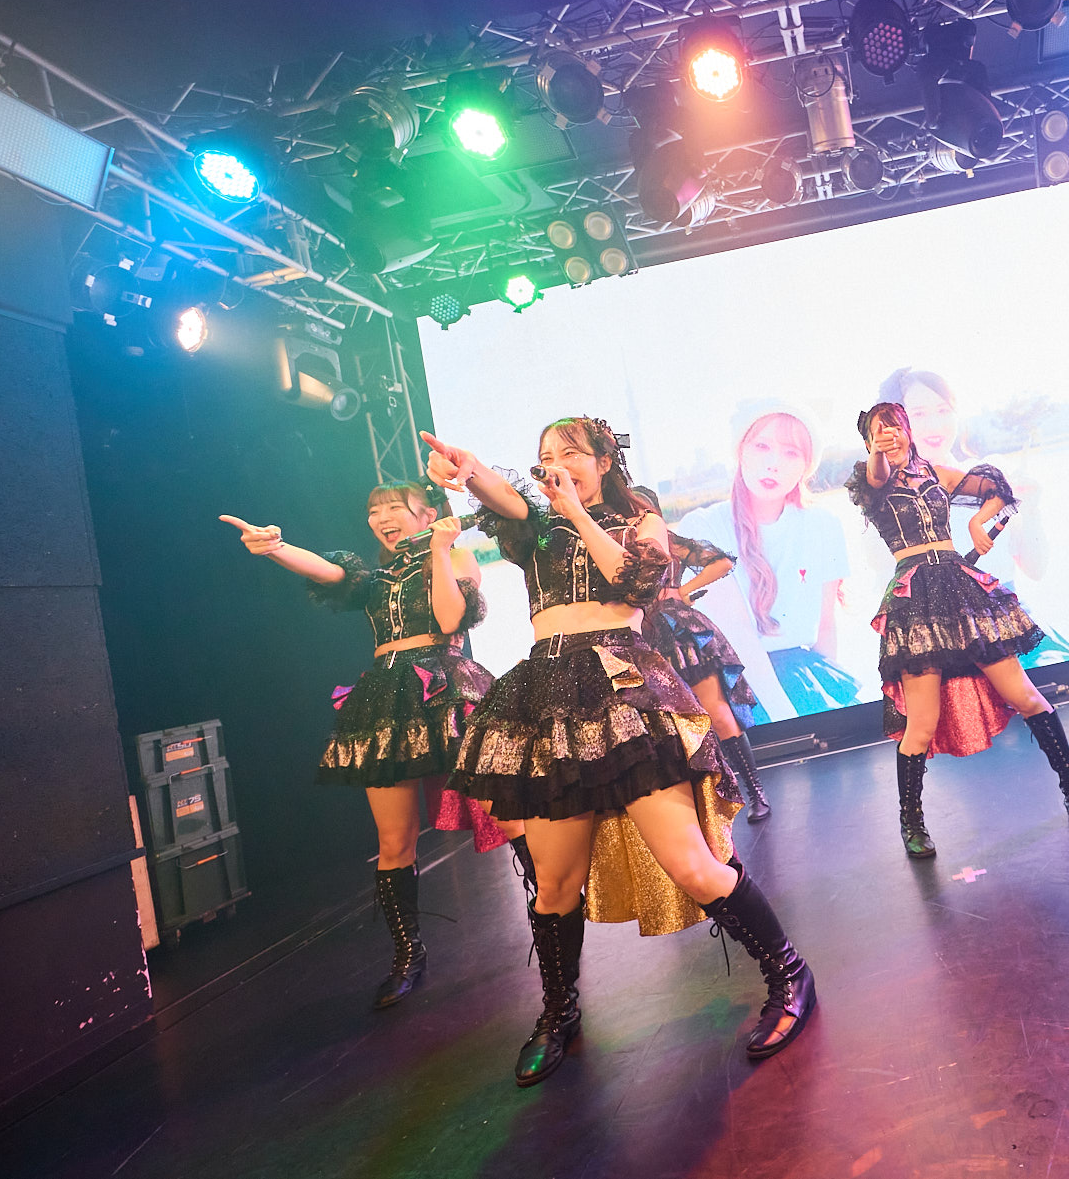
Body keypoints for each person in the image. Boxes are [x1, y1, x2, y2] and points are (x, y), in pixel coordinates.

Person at [421, 419, 816, 1085]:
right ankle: (560, 1011)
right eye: (546, 455)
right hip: (547, 695)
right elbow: (505, 496)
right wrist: (471, 470)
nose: (556, 464)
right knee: (554, 884)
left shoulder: (639, 519)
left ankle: (790, 973)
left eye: (571, 452)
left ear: (605, 461)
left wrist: (578, 513)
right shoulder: (536, 526)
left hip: (624, 689)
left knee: (693, 866)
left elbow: (634, 584)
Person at [219, 482, 494, 1010]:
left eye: (394, 507)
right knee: (393, 840)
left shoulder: (456, 555)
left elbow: (449, 620)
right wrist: (275, 547)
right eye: (374, 510)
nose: (381, 517)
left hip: (447, 689)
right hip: (386, 699)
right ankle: (408, 953)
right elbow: (326, 571)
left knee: (508, 817)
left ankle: (549, 921)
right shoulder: (375, 577)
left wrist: (439, 550)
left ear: (427, 515)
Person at [847, 402, 1069, 860]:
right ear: (868, 444)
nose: (889, 437)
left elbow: (997, 488)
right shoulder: (872, 480)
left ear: (908, 431)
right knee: (921, 724)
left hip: (961, 589)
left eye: (895, 428)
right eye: (878, 433)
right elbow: (876, 474)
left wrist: (978, 520)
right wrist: (878, 453)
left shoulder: (937, 474)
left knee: (1025, 696)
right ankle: (912, 823)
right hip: (915, 599)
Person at [877, 368, 1069, 666]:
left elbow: (1035, 568)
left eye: (943, 410)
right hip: (944, 645)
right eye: (918, 414)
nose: (935, 425)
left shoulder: (989, 474)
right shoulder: (886, 500)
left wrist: (1031, 509)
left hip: (1014, 628)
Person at [677, 406, 860, 719]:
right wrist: (786, 720)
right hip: (740, 686)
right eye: (762, 446)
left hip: (807, 679)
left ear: (806, 466)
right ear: (741, 452)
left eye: (791, 452)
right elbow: (738, 633)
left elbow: (826, 627)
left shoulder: (823, 525)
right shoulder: (703, 526)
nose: (774, 463)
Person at [643, 516, 772, 820]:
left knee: (719, 715)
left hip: (681, 632)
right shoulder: (615, 545)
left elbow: (722, 562)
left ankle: (755, 793)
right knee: (672, 730)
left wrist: (681, 590)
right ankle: (706, 806)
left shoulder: (667, 541)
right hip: (643, 637)